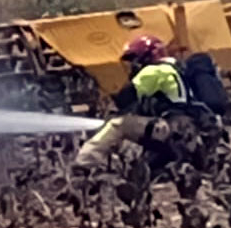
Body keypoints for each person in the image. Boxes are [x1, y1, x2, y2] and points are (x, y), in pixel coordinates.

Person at [74, 34, 188, 170]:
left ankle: (83, 164)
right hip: (186, 128)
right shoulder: (178, 69)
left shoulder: (155, 70)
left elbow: (125, 98)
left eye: (135, 59)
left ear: (147, 56)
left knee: (118, 125)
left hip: (169, 126)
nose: (134, 64)